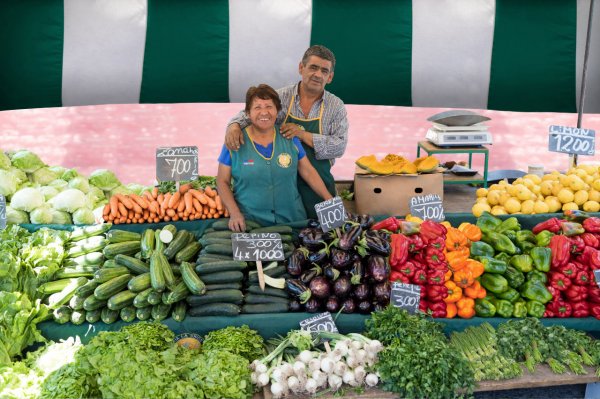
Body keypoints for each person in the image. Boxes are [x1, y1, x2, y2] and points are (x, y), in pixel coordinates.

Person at [225, 45, 348, 219]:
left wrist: (302, 134)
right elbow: (250, 114)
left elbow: (339, 147)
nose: (318, 74)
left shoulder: (336, 106)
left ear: (330, 77)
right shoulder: (281, 96)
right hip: (283, 185)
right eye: (313, 67)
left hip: (319, 184)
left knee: (327, 239)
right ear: (301, 68)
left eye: (324, 71)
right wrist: (234, 126)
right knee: (295, 235)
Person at [217, 84, 333, 232]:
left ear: (277, 111)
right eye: (257, 107)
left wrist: (329, 198)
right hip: (252, 223)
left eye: (269, 107)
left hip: (293, 221)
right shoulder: (234, 141)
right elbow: (222, 181)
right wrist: (234, 213)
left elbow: (308, 172)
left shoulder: (289, 137)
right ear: (247, 113)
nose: (264, 112)